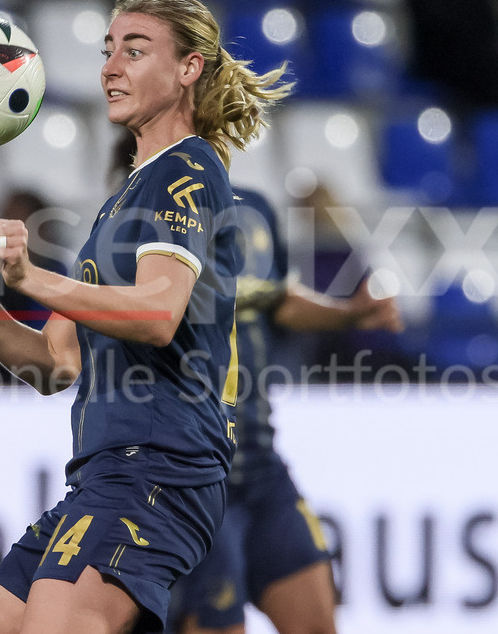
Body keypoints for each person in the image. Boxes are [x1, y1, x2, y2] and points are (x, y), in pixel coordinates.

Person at [0, 0, 291, 633]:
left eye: (135, 50)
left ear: (188, 68)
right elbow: (54, 364)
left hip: (156, 472)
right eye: (107, 52)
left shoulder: (187, 171)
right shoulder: (121, 202)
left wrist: (32, 277)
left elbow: (158, 314)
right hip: (103, 477)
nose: (110, 68)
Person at [163, 184, 403, 634]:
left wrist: (349, 313)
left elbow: (278, 299)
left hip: (260, 466)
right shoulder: (153, 210)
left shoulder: (254, 208)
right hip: (192, 480)